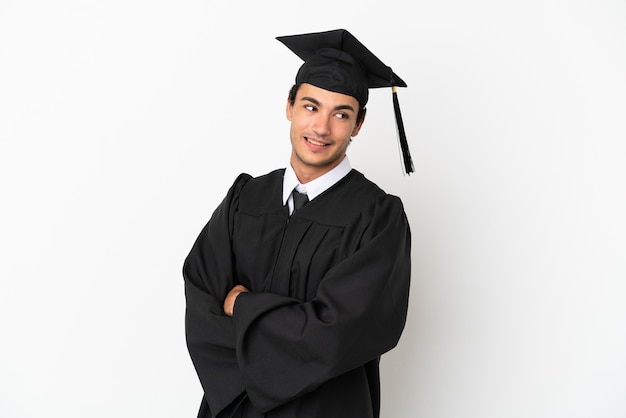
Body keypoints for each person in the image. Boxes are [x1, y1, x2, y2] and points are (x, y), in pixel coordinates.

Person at [183, 28, 412, 418]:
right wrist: (293, 323)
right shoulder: (245, 198)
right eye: (310, 107)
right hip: (235, 407)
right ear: (289, 106)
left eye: (341, 114)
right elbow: (202, 306)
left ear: (358, 124)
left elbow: (340, 334)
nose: (321, 128)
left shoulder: (378, 218)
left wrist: (242, 304)